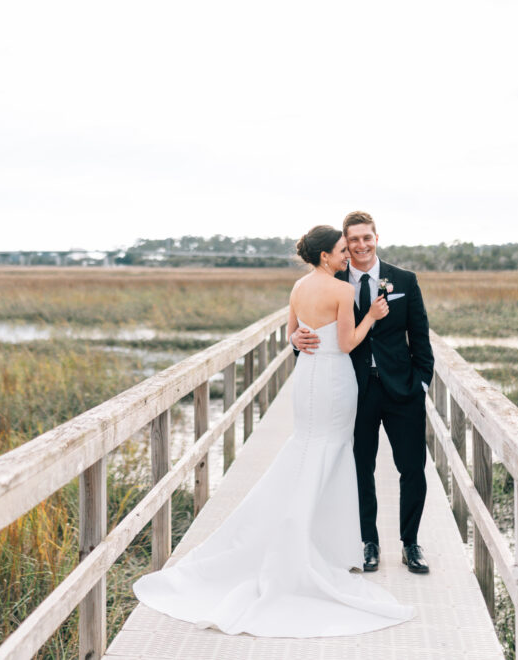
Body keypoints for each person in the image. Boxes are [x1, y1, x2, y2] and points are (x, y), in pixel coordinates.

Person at [132, 225, 414, 637]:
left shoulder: (298, 287)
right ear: (325, 257)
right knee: (331, 453)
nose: (345, 257)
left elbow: (292, 336)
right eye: (340, 251)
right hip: (334, 378)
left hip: (307, 377)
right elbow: (348, 342)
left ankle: (320, 541)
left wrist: (301, 337)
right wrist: (371, 316)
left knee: (310, 449)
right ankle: (317, 546)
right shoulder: (340, 290)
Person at [292, 211, 434, 574]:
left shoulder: (404, 279)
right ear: (344, 243)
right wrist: (294, 338)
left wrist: (421, 382)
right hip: (353, 389)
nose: (360, 245)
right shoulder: (332, 280)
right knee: (359, 467)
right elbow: (308, 331)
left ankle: (411, 543)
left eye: (366, 238)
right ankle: (367, 542)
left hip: (403, 388)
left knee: (412, 468)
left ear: (376, 237)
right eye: (352, 240)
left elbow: (420, 335)